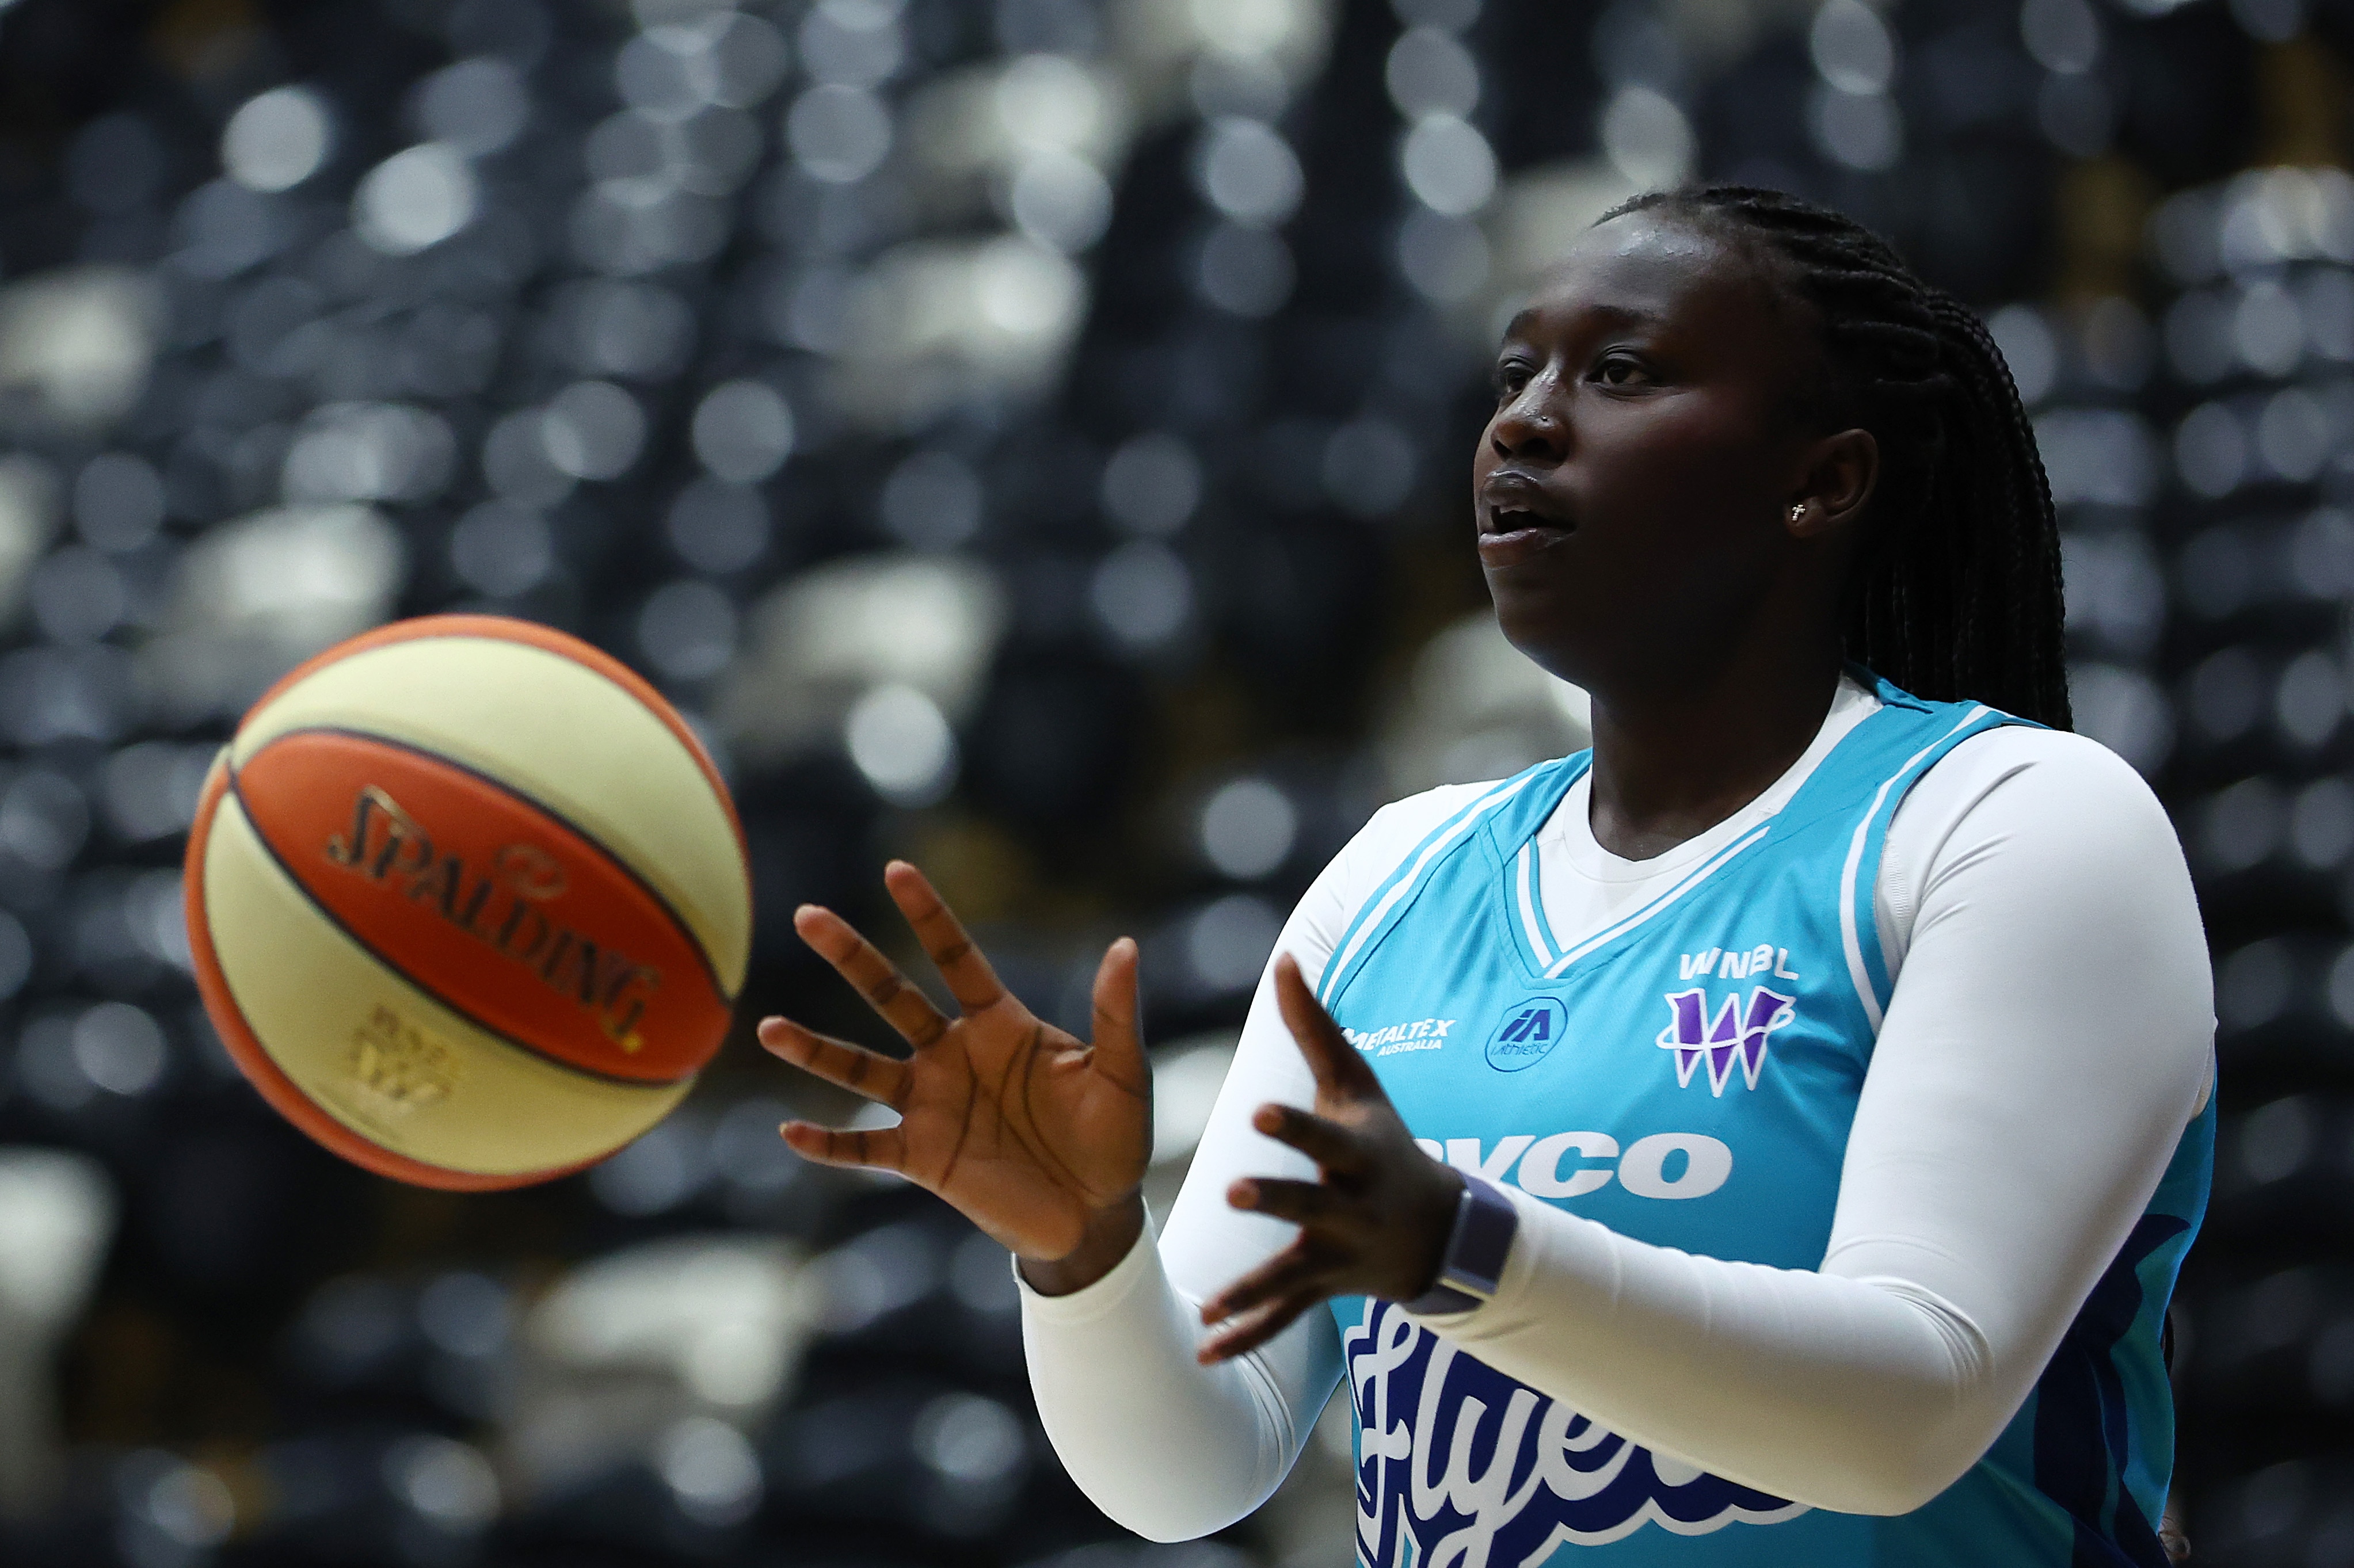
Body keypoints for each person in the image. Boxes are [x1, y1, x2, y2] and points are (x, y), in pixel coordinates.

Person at [758, 186, 2214, 1565]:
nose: (1523, 419)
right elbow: (1195, 1465)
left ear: (1818, 481)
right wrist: (1086, 1257)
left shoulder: (2012, 823)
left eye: (1620, 373)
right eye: (1514, 374)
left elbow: (1909, 1408)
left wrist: (1463, 1250)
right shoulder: (1395, 876)